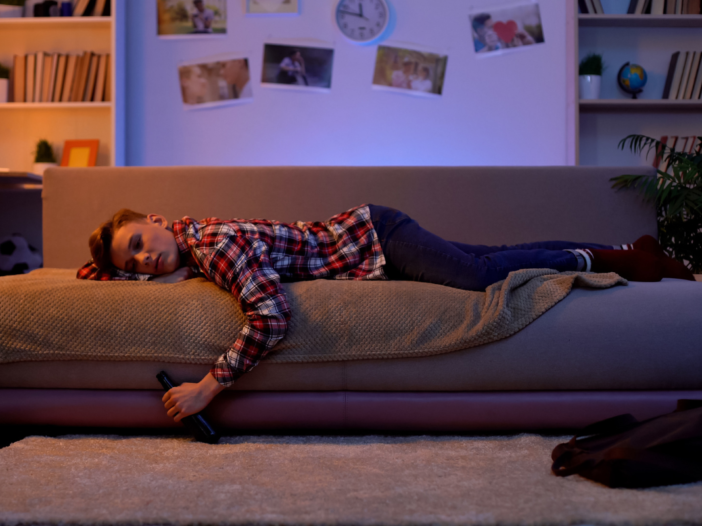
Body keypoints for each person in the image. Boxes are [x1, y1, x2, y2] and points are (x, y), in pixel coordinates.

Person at [78, 204, 694, 423]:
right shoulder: (188, 239)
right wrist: (112, 270)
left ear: (155, 221)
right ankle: (609, 248)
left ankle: (614, 258)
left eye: (139, 243)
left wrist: (210, 387)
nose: (143, 261)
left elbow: (269, 315)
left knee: (479, 276)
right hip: (371, 245)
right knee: (489, 256)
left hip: (379, 236)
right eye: (131, 265)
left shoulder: (213, 245)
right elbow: (93, 270)